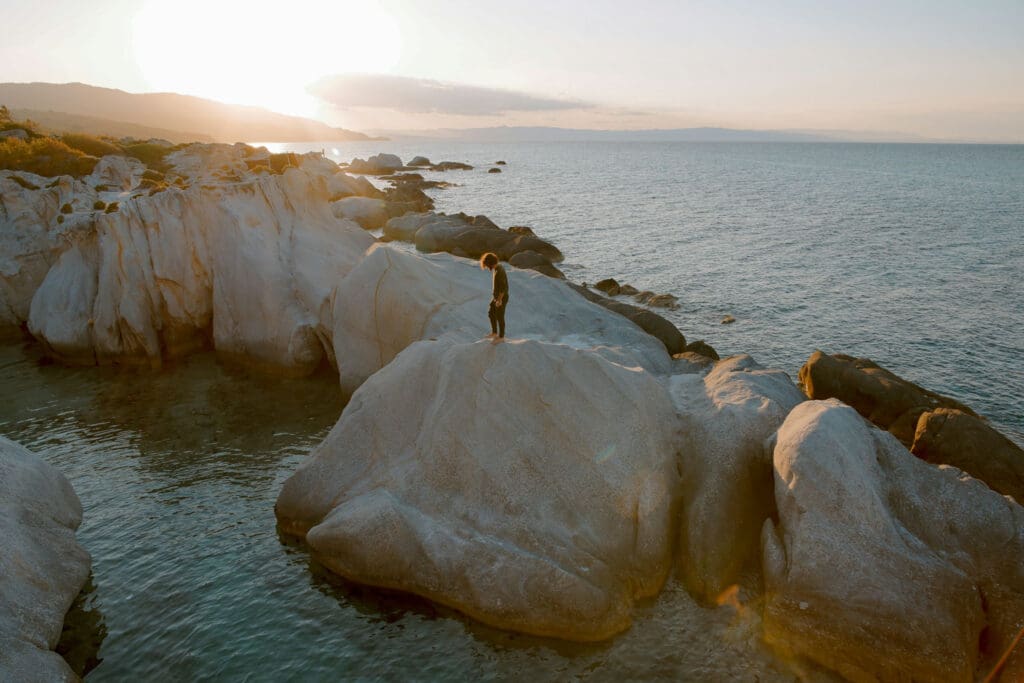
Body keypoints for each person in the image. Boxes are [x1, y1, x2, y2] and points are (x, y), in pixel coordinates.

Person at [480, 252, 508, 339]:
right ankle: (494, 333)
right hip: (496, 297)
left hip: (501, 297)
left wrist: (499, 300)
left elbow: (503, 288)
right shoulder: (497, 268)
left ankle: (501, 336)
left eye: (487, 265)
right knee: (491, 313)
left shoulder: (500, 271)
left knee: (500, 316)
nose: (487, 267)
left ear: (490, 263)